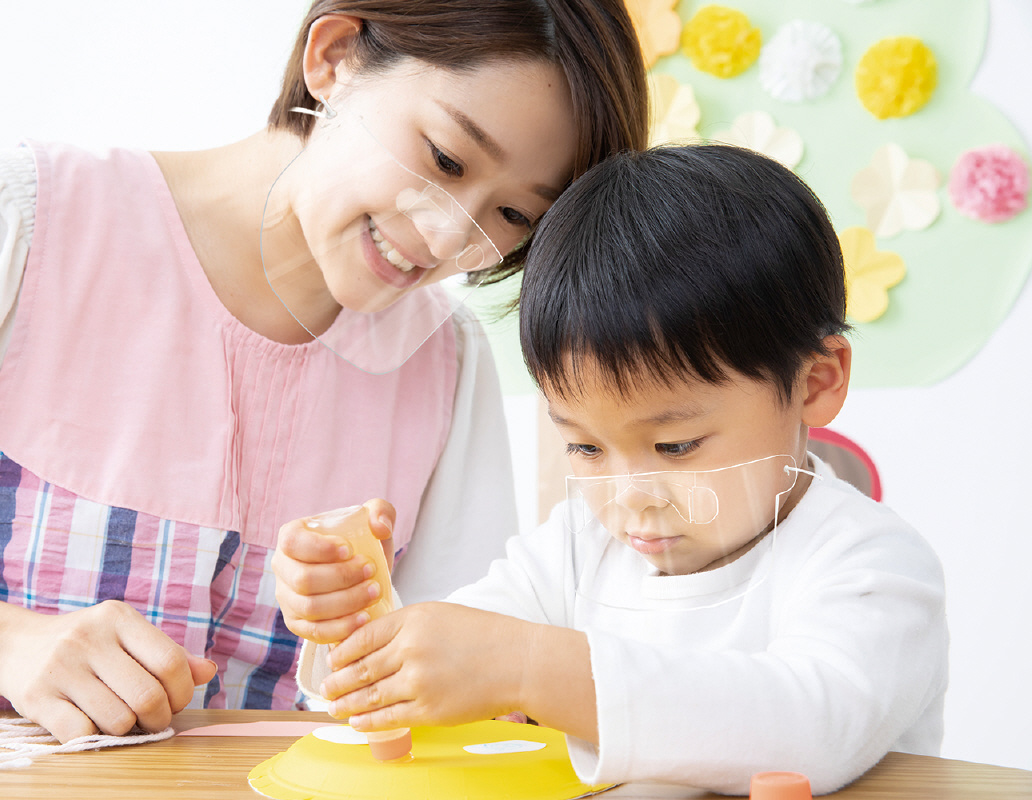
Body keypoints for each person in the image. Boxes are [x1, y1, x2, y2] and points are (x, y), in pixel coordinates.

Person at [0, 1, 649, 744]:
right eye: (443, 158)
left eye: (512, 216)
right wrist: (6, 645)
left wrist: (363, 643)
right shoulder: (21, 217)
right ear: (333, 58)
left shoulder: (445, 360)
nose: (446, 239)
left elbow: (454, 691)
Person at [277, 145, 949, 795]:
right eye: (586, 448)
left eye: (676, 446)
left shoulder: (869, 563)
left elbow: (808, 733)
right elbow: (446, 662)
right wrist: (355, 620)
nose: (631, 499)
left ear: (815, 383)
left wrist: (531, 667)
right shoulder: (577, 549)